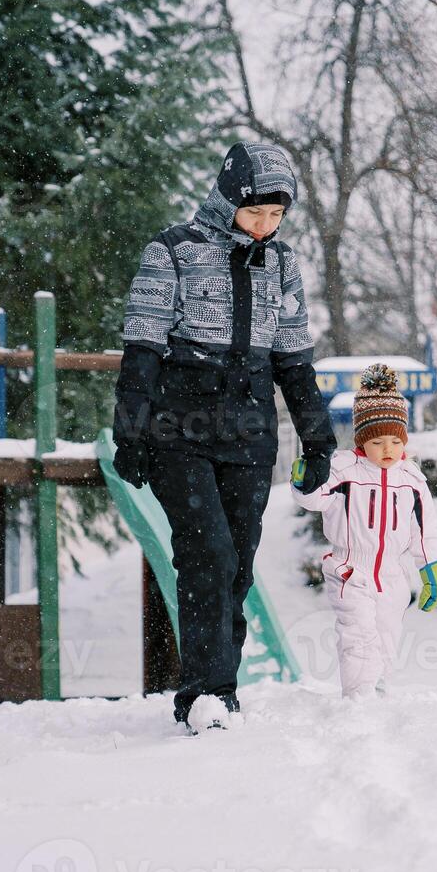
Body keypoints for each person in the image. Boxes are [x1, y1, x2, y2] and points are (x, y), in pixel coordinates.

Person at [111, 141, 335, 733]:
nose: (265, 226)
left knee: (237, 565)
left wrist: (318, 443)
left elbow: (293, 360)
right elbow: (143, 344)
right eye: (255, 212)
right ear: (229, 198)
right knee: (206, 555)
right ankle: (205, 696)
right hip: (177, 429)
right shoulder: (174, 250)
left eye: (276, 216)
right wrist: (131, 430)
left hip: (250, 432)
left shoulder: (281, 263)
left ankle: (220, 690)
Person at [290, 363, 437, 698]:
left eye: (395, 441)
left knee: (386, 635)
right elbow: (315, 498)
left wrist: (431, 566)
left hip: (393, 574)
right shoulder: (344, 470)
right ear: (362, 442)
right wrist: (305, 480)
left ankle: (376, 686)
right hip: (350, 569)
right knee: (358, 633)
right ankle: (359, 695)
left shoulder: (412, 480)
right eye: (377, 442)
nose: (388, 450)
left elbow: (425, 530)